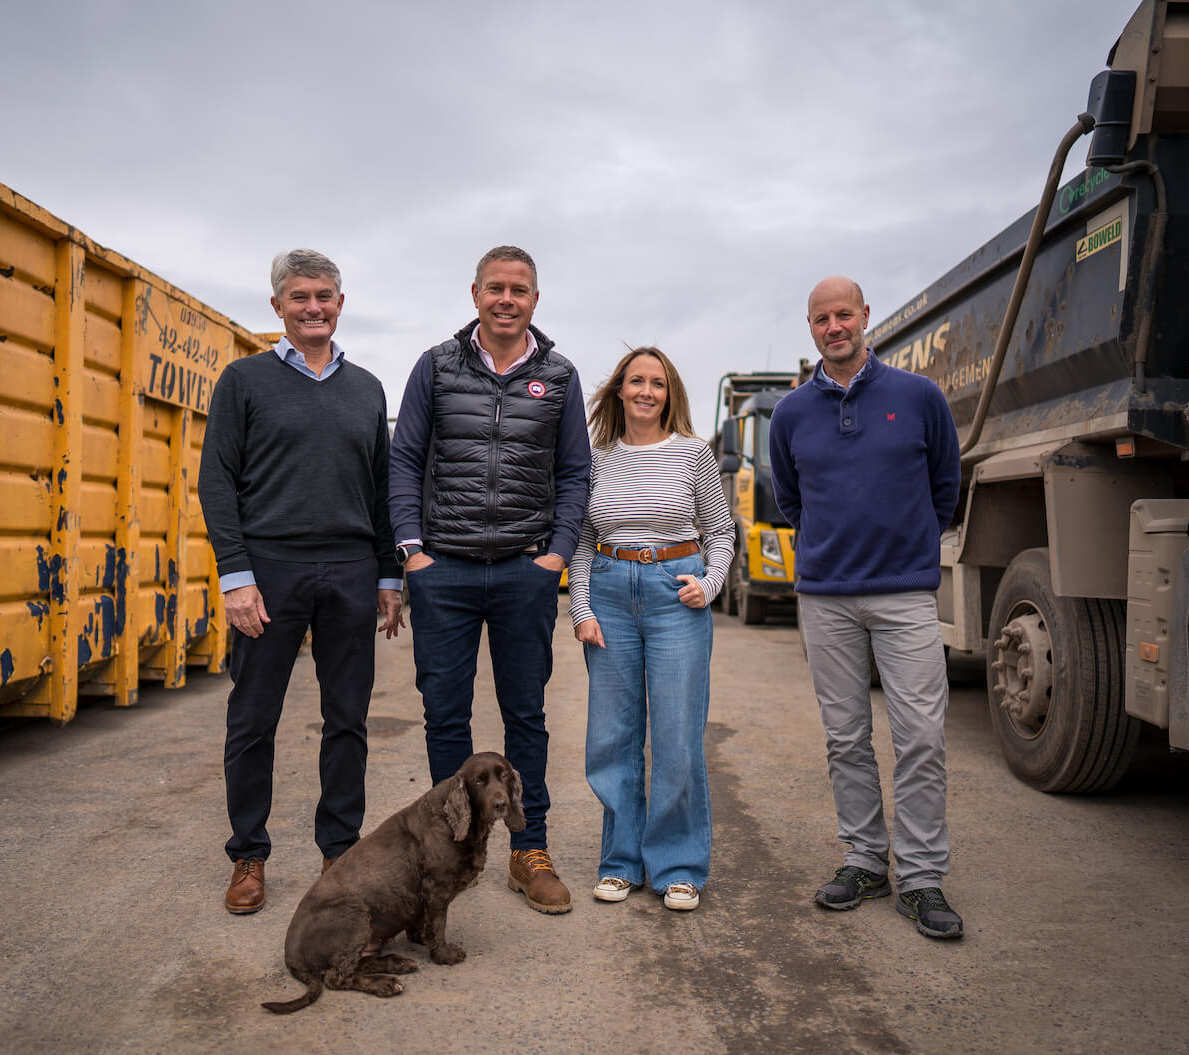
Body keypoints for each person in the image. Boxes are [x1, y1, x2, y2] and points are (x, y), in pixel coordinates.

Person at [199, 249, 404, 916]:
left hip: (348, 571)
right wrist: (236, 576)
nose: (312, 307)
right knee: (253, 718)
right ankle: (248, 856)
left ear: (340, 304)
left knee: (347, 719)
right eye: (299, 297)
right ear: (278, 307)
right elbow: (217, 483)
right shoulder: (244, 381)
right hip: (270, 570)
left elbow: (381, 491)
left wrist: (387, 572)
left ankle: (340, 854)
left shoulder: (368, 389)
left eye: (324, 296)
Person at [388, 245, 592, 914]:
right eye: (496, 287)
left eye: (521, 289)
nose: (508, 298)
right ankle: (452, 844)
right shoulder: (436, 367)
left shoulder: (558, 376)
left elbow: (574, 474)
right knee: (445, 712)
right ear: (474, 293)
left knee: (524, 714)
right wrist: (413, 551)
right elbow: (405, 459)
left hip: (522, 569)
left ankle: (526, 849)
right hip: (442, 569)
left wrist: (556, 554)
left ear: (536, 299)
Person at [767, 275, 964, 939]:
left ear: (864, 316)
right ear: (811, 326)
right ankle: (865, 859)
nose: (833, 327)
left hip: (905, 594)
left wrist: (905, 549)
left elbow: (945, 486)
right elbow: (790, 500)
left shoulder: (918, 397)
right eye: (821, 318)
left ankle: (922, 877)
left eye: (843, 313)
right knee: (846, 737)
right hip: (826, 598)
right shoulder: (790, 413)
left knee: (921, 736)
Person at [568, 347, 733, 911]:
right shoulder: (597, 459)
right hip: (611, 594)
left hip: (675, 597)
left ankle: (678, 865)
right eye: (635, 381)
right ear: (618, 390)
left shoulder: (694, 454)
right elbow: (585, 543)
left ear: (670, 394)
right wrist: (582, 611)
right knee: (611, 737)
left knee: (676, 736)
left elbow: (721, 533)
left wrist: (707, 585)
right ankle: (620, 862)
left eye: (656, 383)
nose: (645, 391)